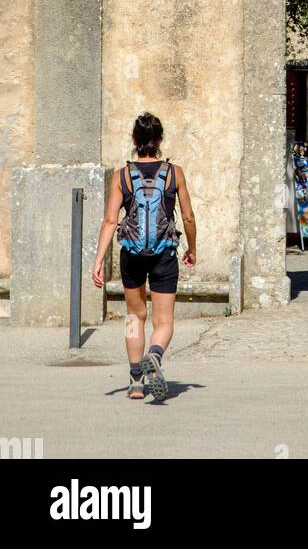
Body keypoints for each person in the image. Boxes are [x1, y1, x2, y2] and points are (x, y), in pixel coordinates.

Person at [92, 113, 196, 402]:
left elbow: (110, 221)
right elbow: (187, 216)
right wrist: (192, 248)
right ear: (160, 140)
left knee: (134, 316)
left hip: (132, 256)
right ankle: (155, 355)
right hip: (164, 253)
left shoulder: (122, 176)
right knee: (163, 321)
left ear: (134, 141)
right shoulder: (175, 173)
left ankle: (136, 381)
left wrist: (99, 260)